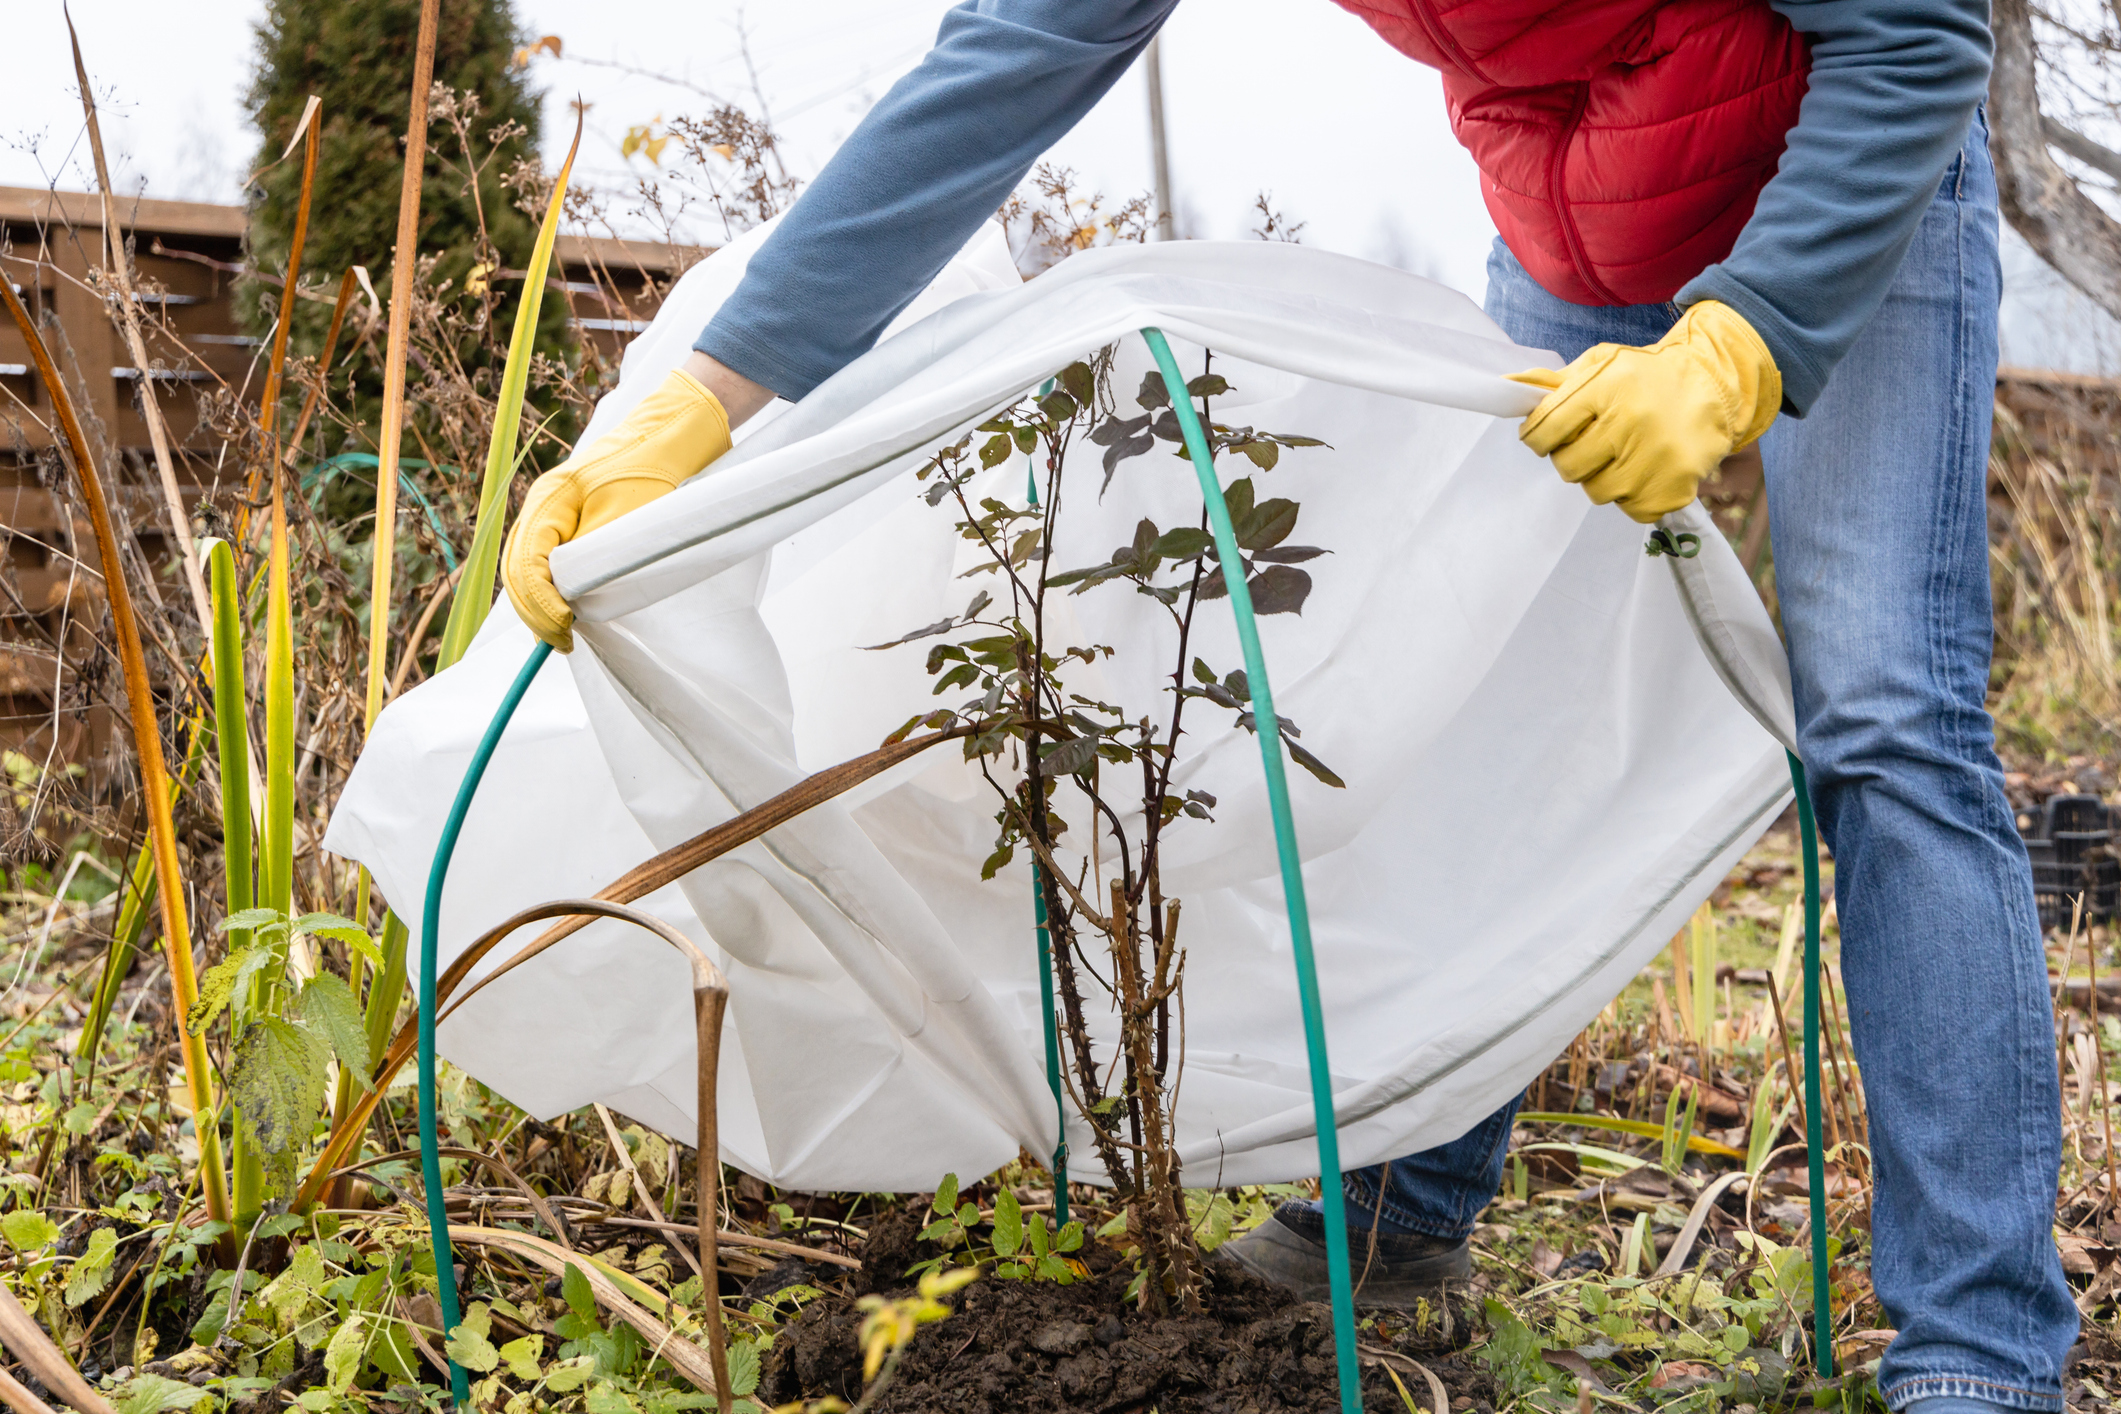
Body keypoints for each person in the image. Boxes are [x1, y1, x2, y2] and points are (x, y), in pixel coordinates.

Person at [501, 1, 2078, 1407]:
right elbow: (1001, 65)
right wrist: (694, 404)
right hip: (1572, 222)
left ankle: (1976, 1341)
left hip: (1837, 167)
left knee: (1881, 716)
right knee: (1475, 696)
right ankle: (1396, 1213)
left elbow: (1913, 33)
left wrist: (1745, 342)